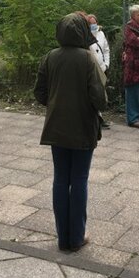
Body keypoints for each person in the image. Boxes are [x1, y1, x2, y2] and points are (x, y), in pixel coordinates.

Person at [34, 13, 107, 252]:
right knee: (79, 180)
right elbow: (100, 99)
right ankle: (76, 237)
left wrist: (57, 104)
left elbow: (40, 93)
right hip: (83, 127)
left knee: (60, 179)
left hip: (56, 126)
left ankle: (62, 238)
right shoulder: (88, 59)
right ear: (83, 32)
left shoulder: (50, 57)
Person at [87, 14, 111, 129]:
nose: (93, 25)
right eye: (90, 23)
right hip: (91, 70)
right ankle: (98, 119)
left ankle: (99, 117)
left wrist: (106, 64)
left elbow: (106, 49)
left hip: (102, 68)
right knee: (93, 93)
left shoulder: (101, 34)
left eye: (94, 22)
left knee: (101, 93)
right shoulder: (85, 36)